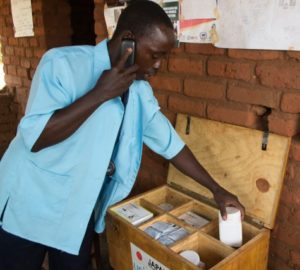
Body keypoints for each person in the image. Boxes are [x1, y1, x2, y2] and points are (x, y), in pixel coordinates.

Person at [0, 1, 245, 269]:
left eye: (164, 56)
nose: (159, 66)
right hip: (28, 203)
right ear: (128, 41)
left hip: (75, 210)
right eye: (154, 55)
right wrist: (101, 93)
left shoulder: (138, 91)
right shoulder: (62, 64)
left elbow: (170, 143)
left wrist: (216, 190)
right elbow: (36, 138)